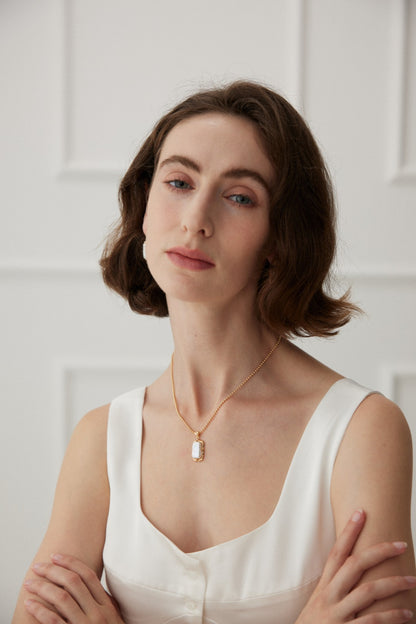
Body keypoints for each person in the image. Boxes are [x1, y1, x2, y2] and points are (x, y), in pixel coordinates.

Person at [13, 80, 415, 624]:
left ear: (280, 236)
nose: (196, 219)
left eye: (239, 196)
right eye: (178, 181)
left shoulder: (363, 432)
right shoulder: (101, 440)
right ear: (144, 207)